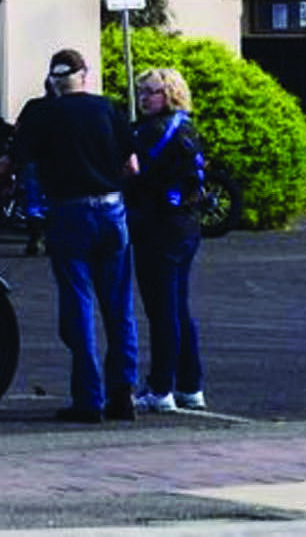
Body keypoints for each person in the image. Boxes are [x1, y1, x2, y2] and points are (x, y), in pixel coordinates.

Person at [0, 48, 139, 422]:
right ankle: (122, 393)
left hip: (69, 212)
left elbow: (9, 164)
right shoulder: (108, 108)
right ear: (84, 74)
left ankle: (88, 400)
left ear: (53, 80)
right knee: (118, 305)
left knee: (79, 302)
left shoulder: (42, 113)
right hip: (111, 209)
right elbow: (132, 166)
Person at [128, 66, 207, 413]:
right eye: (141, 92)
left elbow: (132, 173)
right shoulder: (186, 127)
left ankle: (161, 388)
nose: (144, 98)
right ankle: (190, 386)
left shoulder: (149, 132)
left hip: (157, 226)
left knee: (162, 311)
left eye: (151, 92)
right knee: (178, 308)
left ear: (169, 94)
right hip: (186, 225)